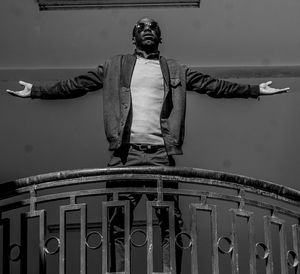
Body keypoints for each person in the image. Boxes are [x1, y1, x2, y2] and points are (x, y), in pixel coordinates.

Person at [6, 17, 290, 273]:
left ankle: (168, 271)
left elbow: (213, 86)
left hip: (160, 156)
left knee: (169, 221)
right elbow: (76, 85)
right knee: (116, 222)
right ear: (133, 38)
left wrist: (254, 90)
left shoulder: (175, 69)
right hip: (124, 155)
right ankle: (117, 271)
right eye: (141, 27)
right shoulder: (115, 66)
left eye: (153, 26)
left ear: (160, 37)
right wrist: (35, 91)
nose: (147, 29)